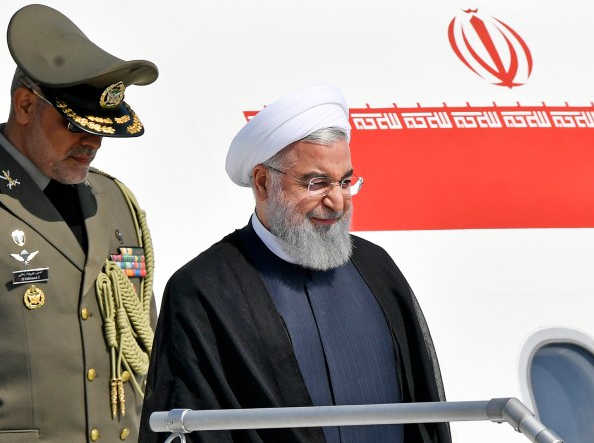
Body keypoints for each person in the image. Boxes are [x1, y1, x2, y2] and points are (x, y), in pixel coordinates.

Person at [140, 84, 452, 443]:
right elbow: (190, 423)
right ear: (263, 183)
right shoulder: (205, 289)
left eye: (345, 182)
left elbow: (423, 409)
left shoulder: (376, 268)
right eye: (317, 183)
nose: (338, 202)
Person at [0, 5, 158, 442]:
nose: (93, 143)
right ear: (26, 105)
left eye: (103, 129)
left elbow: (144, 342)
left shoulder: (116, 202)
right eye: (76, 125)